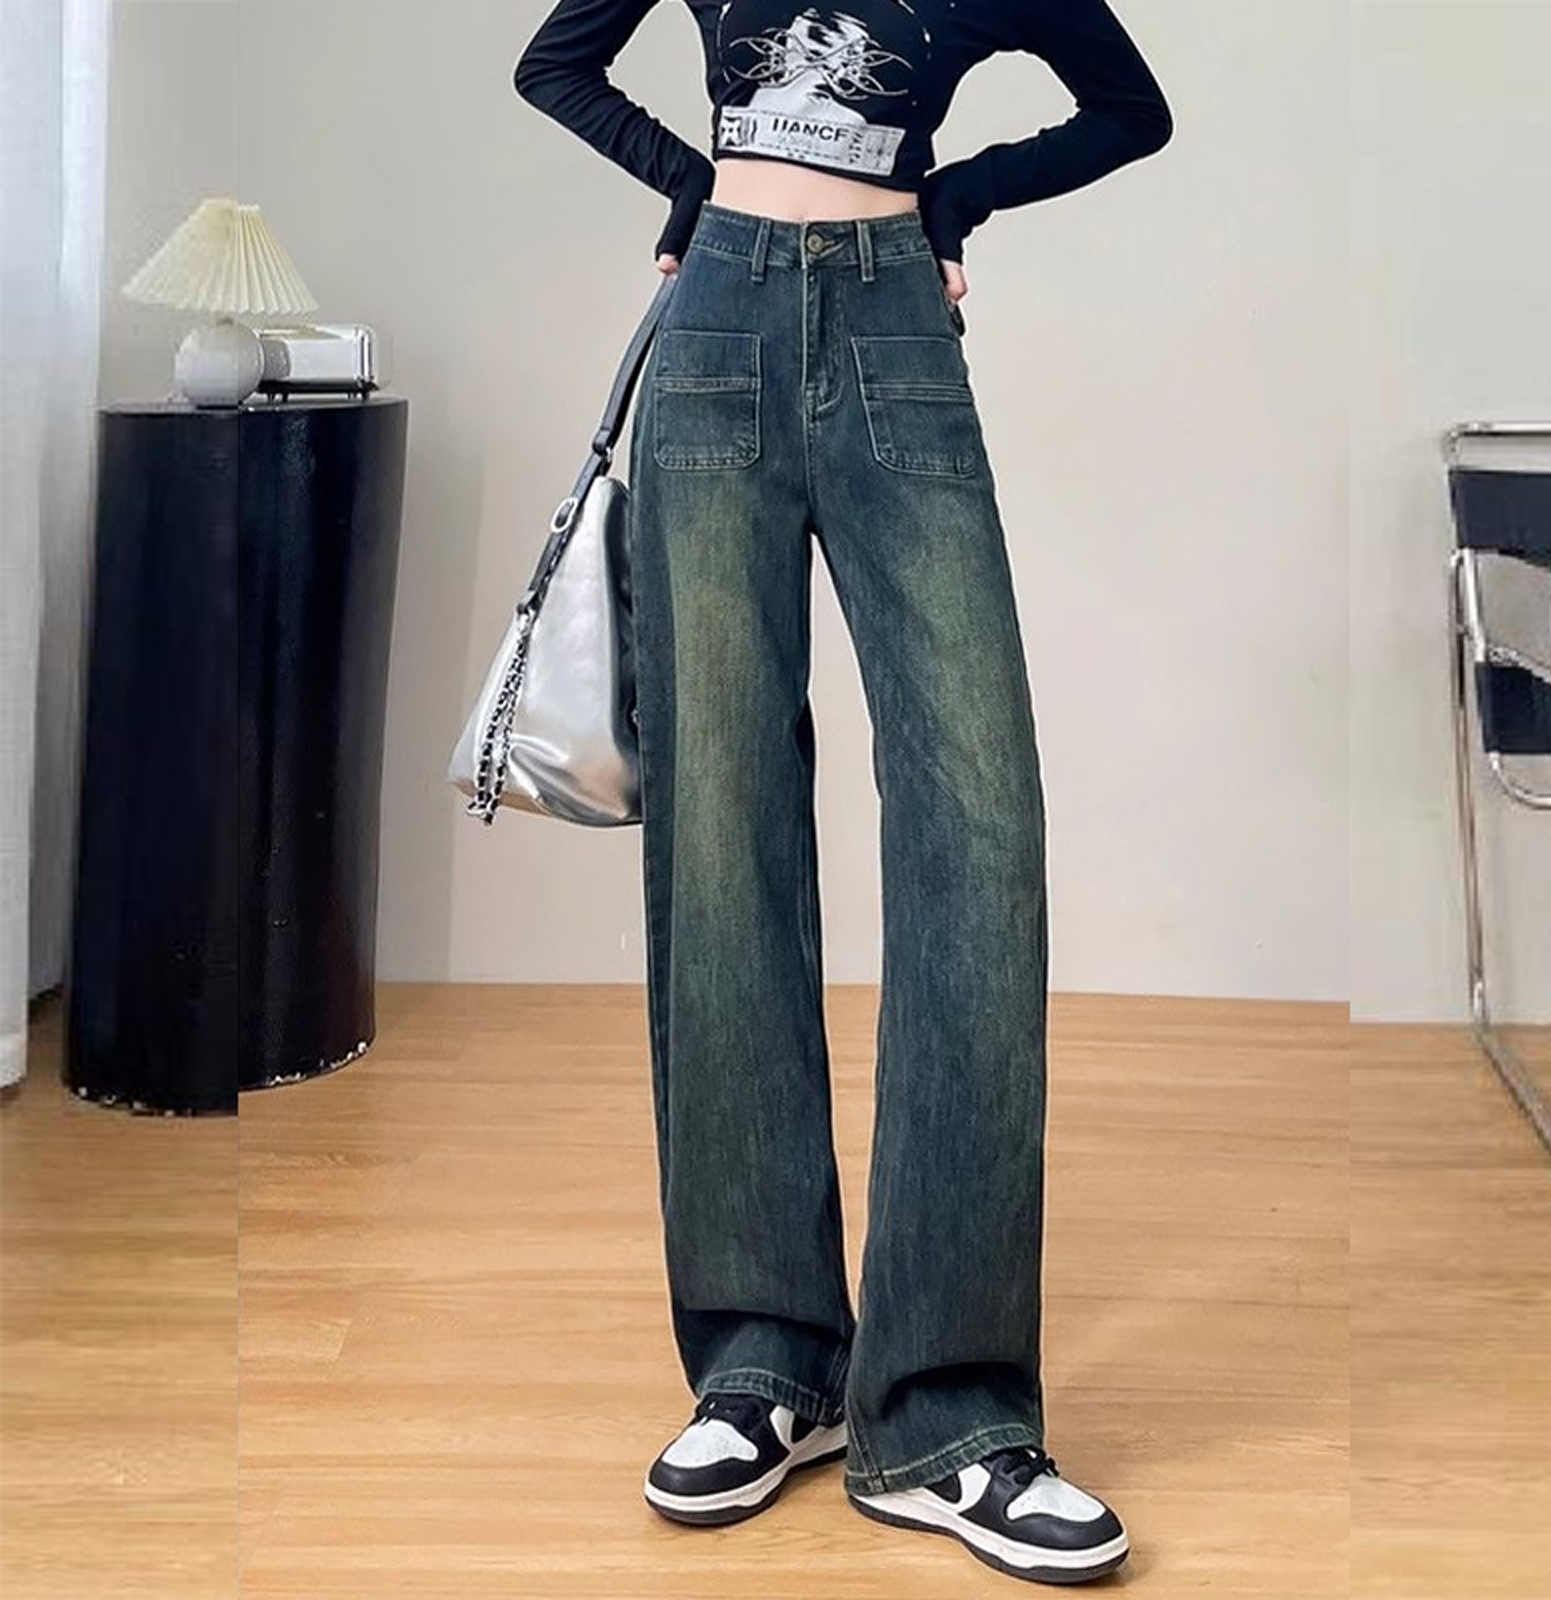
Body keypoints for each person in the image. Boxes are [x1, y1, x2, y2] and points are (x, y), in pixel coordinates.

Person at [512, 0, 1173, 1584]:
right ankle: (766, 1365)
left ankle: (948, 1416)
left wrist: (956, 198)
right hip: (715, 329)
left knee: (980, 829)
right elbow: (556, 63)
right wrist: (695, 188)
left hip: (895, 333)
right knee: (722, 833)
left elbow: (1129, 109)